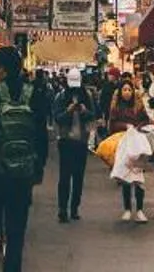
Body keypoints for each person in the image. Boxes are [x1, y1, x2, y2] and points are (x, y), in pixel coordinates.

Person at [0, 46, 49, 272]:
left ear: (3, 68)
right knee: (16, 230)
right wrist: (38, 167)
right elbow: (41, 134)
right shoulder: (35, 93)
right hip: (23, 174)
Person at [50, 76, 93, 223]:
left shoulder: (87, 96)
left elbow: (93, 115)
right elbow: (57, 118)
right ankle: (63, 209)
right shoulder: (60, 97)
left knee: (78, 177)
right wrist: (68, 111)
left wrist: (84, 111)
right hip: (66, 141)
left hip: (81, 142)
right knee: (65, 177)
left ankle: (74, 208)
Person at [110, 118, 154, 223]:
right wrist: (125, 125)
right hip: (124, 145)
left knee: (138, 179)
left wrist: (139, 127)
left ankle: (139, 210)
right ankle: (127, 209)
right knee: (126, 178)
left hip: (139, 145)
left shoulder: (139, 106)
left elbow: (146, 121)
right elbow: (113, 124)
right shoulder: (117, 105)